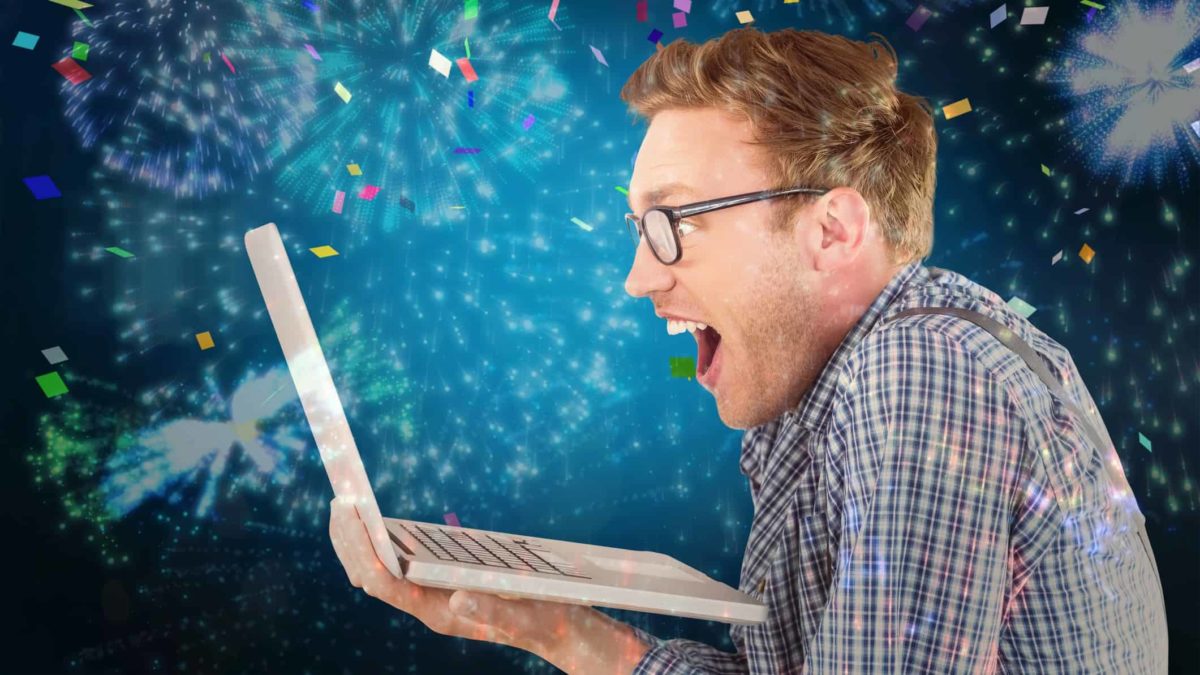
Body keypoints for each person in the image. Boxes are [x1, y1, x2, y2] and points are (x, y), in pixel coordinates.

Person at [328, 27, 1169, 674]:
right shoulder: (829, 389)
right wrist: (535, 622)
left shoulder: (923, 372)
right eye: (637, 228)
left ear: (831, 230)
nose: (636, 279)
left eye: (673, 222)